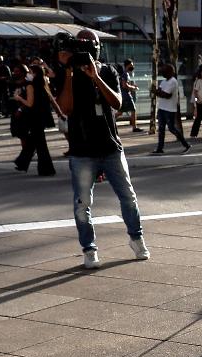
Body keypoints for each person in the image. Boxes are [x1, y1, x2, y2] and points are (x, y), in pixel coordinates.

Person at [54, 30, 150, 269]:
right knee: (82, 203)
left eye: (89, 45)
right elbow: (65, 108)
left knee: (128, 196)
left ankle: (136, 239)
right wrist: (68, 72)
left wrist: (95, 77)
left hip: (110, 147)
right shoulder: (68, 73)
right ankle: (89, 249)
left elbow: (118, 102)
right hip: (81, 150)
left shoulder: (108, 70)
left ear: (97, 47)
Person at [10, 64, 57, 176]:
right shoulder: (41, 84)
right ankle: (24, 162)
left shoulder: (31, 86)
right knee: (36, 143)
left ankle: (44, 168)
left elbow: (30, 104)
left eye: (30, 72)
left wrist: (19, 98)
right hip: (39, 117)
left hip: (34, 118)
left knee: (39, 144)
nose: (28, 74)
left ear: (35, 74)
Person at [152, 63, 191, 155]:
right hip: (162, 108)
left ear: (170, 72)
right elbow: (160, 92)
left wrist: (157, 92)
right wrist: (158, 92)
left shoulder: (173, 81)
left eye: (165, 71)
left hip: (169, 109)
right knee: (161, 129)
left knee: (171, 128)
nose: (163, 73)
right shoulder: (164, 81)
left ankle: (186, 144)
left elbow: (167, 95)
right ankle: (159, 148)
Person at [115, 59, 141, 133]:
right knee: (133, 110)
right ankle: (134, 127)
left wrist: (131, 86)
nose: (133, 66)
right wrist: (134, 88)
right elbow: (124, 85)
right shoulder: (125, 74)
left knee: (120, 112)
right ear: (128, 65)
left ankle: (110, 121)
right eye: (132, 65)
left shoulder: (125, 73)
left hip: (123, 95)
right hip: (126, 95)